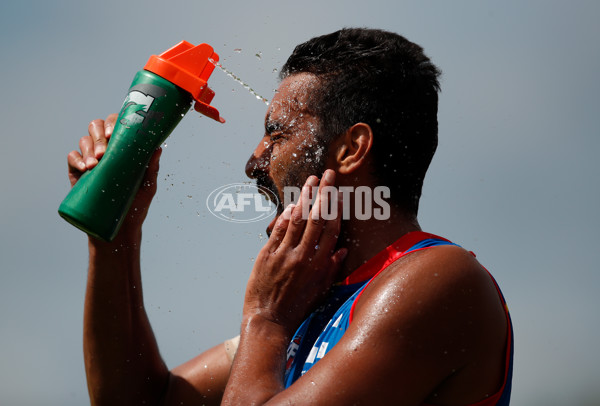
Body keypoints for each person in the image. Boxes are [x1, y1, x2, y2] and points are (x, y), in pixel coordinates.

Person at [67, 28, 512, 405]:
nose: (254, 161)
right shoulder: (318, 300)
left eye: (276, 134)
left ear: (351, 149)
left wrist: (265, 320)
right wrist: (114, 237)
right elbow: (143, 398)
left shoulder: (437, 279)